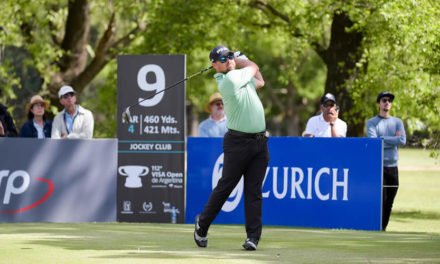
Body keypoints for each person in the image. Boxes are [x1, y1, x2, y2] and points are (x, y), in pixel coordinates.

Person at [194, 45, 269, 251]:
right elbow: (254, 66)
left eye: (228, 56)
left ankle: (253, 237)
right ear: (214, 65)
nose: (228, 60)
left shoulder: (240, 78)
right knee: (226, 187)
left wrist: (236, 59)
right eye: (223, 58)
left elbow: (260, 81)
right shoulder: (228, 81)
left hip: (260, 143)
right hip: (238, 143)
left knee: (254, 191)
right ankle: (202, 224)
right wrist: (239, 57)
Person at [366, 91, 406, 231]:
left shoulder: (397, 122)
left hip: (393, 166)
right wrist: (391, 141)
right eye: (384, 100)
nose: (387, 102)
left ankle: (383, 227)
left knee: (390, 200)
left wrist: (383, 139)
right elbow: (374, 142)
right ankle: (377, 226)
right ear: (379, 104)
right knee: (381, 199)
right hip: (379, 166)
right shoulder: (372, 123)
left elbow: (402, 140)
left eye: (389, 100)